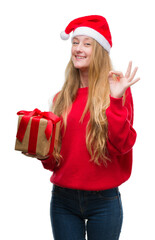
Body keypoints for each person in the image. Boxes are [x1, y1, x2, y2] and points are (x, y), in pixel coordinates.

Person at [37, 15, 140, 240]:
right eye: (75, 42)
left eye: (87, 43)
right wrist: (41, 152)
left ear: (100, 50)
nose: (78, 49)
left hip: (104, 202)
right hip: (63, 201)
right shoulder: (60, 98)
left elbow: (121, 146)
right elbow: (54, 162)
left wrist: (115, 100)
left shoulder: (117, 91)